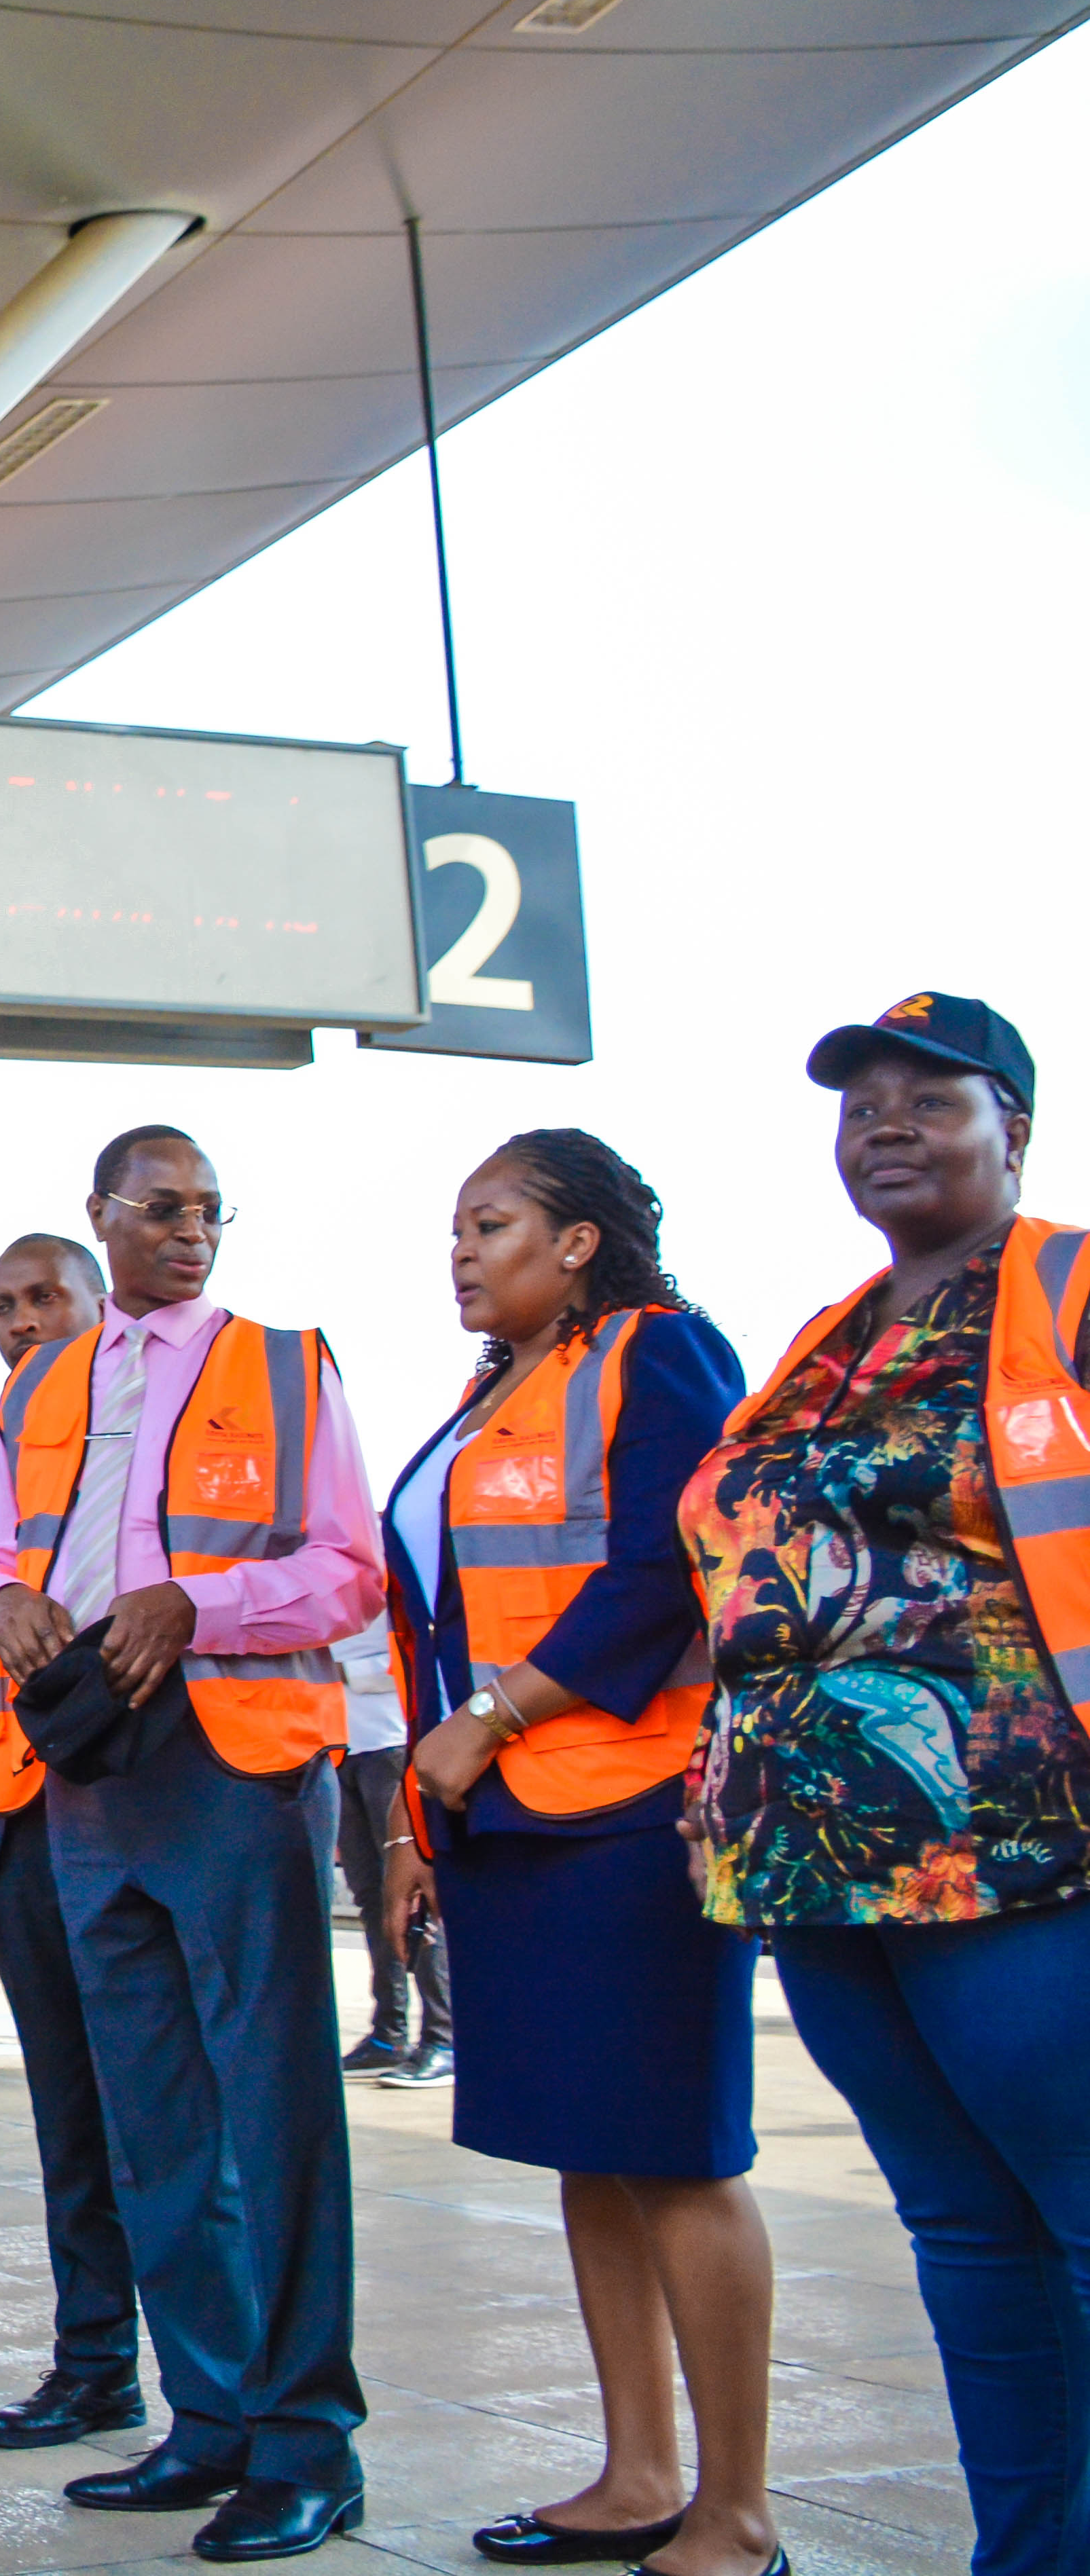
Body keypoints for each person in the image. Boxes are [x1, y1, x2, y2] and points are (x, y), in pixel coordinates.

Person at [683, 995, 1090, 2576]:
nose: (889, 1119)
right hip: (808, 1867)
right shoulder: (828, 1341)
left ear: (1018, 1128)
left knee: (1072, 2220)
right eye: (863, 1101)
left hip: (1006, 1850)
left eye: (934, 1096)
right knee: (965, 2230)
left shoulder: (1063, 1285)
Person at [0, 1125, 380, 2562]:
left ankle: (306, 2439)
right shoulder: (46, 1380)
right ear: (104, 1216)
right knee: (154, 2118)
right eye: (163, 1208)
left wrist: (203, 1599)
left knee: (274, 2109)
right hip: (83, 1763)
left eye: (209, 1210)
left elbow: (346, 1566)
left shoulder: (283, 1361)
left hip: (234, 1758)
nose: (191, 1230)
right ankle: (206, 2418)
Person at [376, 1129, 771, 2576]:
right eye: (459, 1229)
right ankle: (637, 2472)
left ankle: (737, 2510)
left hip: (633, 1807)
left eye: (492, 1223)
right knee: (592, 2155)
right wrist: (435, 1809)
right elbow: (444, 1612)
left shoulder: (661, 1353)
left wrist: (488, 1720)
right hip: (508, 1817)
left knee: (676, 2152)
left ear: (582, 1238)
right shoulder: (499, 1389)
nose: (464, 1250)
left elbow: (670, 1567)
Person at [0, 1230, 151, 2453]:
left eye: (45, 1298)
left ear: (99, 1305)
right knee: (68, 2109)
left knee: (160, 2106)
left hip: (130, 1808)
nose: (21, 1322)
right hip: (11, 1817)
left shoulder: (146, 1440)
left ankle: (216, 2380)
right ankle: (95, 2362)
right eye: (2, 1303)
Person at [332, 1621, 452, 2086]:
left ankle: (443, 2037)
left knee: (412, 1895)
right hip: (342, 1747)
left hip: (392, 1743)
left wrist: (344, 1671)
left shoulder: (382, 1564)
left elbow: (421, 1647)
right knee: (370, 1897)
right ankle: (389, 2032)